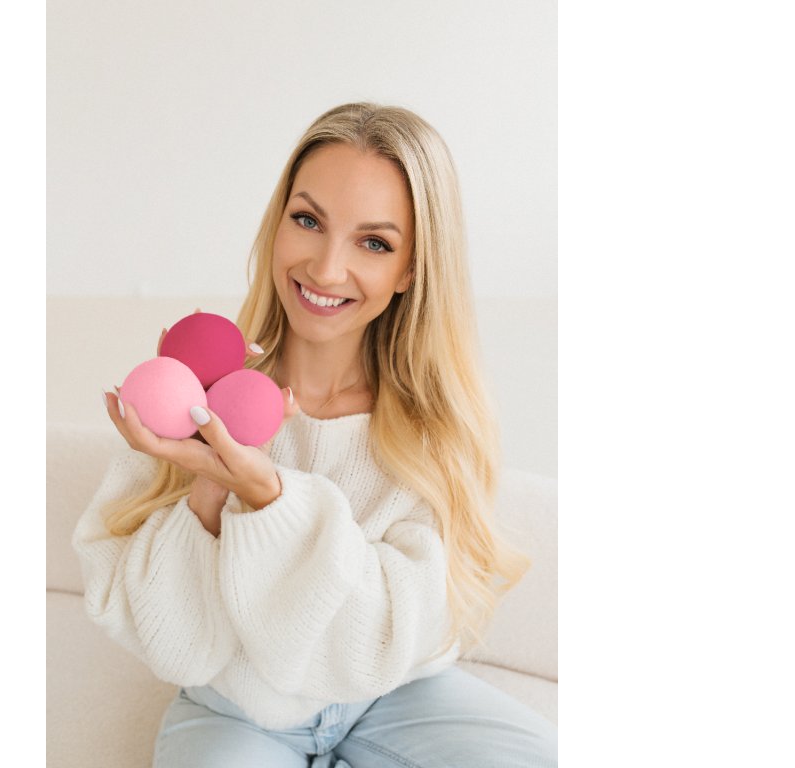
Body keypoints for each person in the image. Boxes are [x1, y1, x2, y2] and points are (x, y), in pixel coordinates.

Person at [75, 102, 558, 767]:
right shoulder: (194, 398)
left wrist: (270, 497)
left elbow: (377, 645)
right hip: (237, 713)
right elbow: (174, 647)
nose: (327, 270)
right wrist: (209, 486)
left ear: (411, 269)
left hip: (393, 698)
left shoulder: (430, 429)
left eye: (374, 243)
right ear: (277, 224)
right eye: (308, 221)